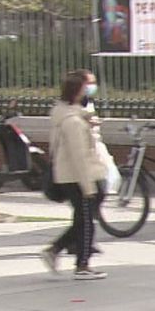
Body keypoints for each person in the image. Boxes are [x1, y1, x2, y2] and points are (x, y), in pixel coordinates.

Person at [41, 70, 109, 280]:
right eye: (85, 86)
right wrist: (87, 185)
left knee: (82, 219)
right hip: (78, 176)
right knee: (86, 221)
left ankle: (56, 250)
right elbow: (78, 156)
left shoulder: (71, 114)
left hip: (73, 175)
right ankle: (82, 265)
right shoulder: (72, 121)